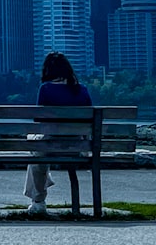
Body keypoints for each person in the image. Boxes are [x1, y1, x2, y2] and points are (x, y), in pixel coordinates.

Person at [24, 51, 92, 214]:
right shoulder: (81, 90)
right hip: (77, 146)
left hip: (49, 146)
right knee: (37, 151)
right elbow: (89, 120)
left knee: (35, 150)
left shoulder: (46, 89)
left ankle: (39, 201)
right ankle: (39, 197)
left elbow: (38, 121)